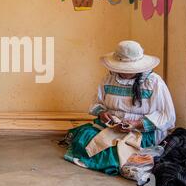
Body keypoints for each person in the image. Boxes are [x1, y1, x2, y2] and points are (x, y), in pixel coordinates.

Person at [64, 40, 176, 175]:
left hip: (141, 132)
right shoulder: (108, 79)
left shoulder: (154, 82)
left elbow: (167, 116)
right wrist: (102, 113)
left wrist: (137, 124)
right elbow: (97, 103)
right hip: (111, 126)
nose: (124, 72)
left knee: (116, 151)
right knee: (84, 137)